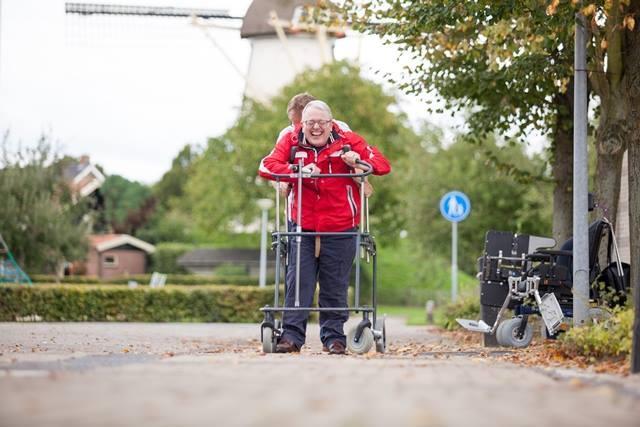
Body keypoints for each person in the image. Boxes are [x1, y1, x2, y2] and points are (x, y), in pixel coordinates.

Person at [258, 100, 391, 354]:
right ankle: (291, 337)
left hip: (341, 223)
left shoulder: (348, 139)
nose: (316, 128)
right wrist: (296, 170)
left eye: (321, 123)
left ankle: (334, 338)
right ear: (302, 124)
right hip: (302, 224)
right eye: (310, 123)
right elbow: (266, 165)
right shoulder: (291, 139)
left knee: (335, 283)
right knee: (299, 280)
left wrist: (357, 161)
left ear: (331, 123)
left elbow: (382, 164)